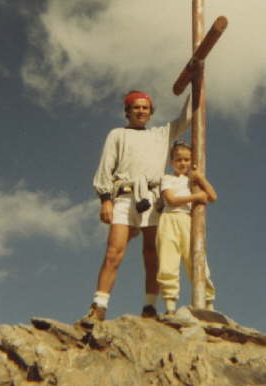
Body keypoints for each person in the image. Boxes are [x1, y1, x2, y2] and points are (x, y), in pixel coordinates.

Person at [80, 90, 192, 328]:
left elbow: (187, 118)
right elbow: (106, 167)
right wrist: (105, 199)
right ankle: (99, 305)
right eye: (136, 107)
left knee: (152, 254)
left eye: (145, 107)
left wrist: (195, 81)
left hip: (151, 198)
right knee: (114, 252)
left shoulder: (161, 134)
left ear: (151, 112)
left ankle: (150, 306)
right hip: (124, 196)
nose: (141, 111)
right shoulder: (117, 134)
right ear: (128, 111)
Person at [156, 141, 216, 315]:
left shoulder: (193, 181)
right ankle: (170, 306)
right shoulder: (167, 179)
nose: (182, 163)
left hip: (188, 222)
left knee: (197, 260)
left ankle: (208, 302)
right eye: (178, 159)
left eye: (186, 160)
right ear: (171, 162)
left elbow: (212, 196)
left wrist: (200, 178)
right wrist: (196, 196)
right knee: (168, 260)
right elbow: (171, 200)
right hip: (169, 219)